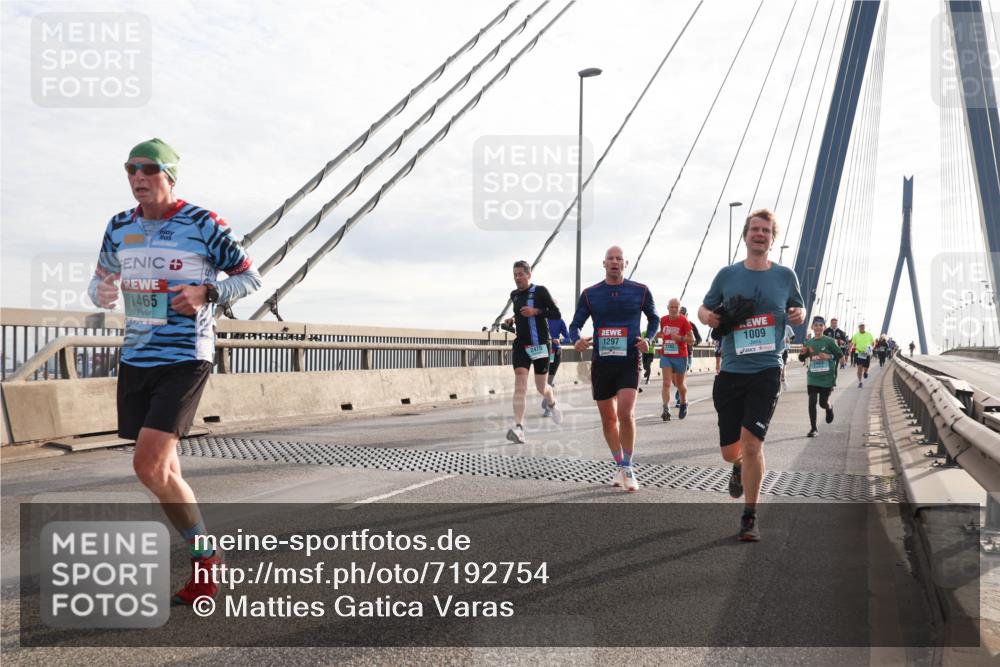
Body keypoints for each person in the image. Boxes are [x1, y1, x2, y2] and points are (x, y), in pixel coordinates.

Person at [88, 138, 262, 605]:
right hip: (137, 357)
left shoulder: (204, 223)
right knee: (165, 467)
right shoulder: (119, 226)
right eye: (130, 169)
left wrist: (208, 293)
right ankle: (203, 561)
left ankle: (207, 556)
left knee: (147, 465)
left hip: (186, 356)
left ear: (169, 176)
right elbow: (101, 277)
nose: (137, 178)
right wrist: (100, 291)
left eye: (148, 170)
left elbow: (250, 277)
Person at [698, 208, 805, 542]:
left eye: (766, 231)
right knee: (732, 451)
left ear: (773, 239)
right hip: (730, 370)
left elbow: (798, 309)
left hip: (766, 370)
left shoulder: (786, 276)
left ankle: (749, 516)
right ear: (745, 235)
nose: (760, 235)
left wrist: (799, 313)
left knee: (753, 444)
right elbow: (703, 308)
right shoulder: (727, 275)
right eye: (754, 229)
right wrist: (708, 318)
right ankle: (737, 466)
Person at [570, 246, 658, 493]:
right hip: (602, 363)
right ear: (604, 263)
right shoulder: (591, 294)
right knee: (608, 419)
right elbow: (575, 324)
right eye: (611, 258)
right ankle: (619, 464)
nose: (615, 262)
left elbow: (654, 318)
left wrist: (649, 339)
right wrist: (575, 339)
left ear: (625, 263)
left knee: (626, 414)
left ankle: (628, 467)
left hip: (629, 360)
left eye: (619, 259)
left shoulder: (640, 291)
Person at [502, 261, 562, 442]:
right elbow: (520, 313)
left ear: (529, 275)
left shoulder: (541, 291)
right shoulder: (514, 295)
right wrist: (512, 319)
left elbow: (556, 314)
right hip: (521, 344)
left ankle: (552, 402)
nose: (517, 278)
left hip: (541, 344)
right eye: (515, 275)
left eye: (520, 274)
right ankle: (519, 428)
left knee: (541, 387)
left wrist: (535, 311)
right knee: (520, 384)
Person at [798, 316, 843, 437]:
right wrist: (802, 353)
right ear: (812, 327)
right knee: (812, 401)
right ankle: (813, 429)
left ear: (824, 327)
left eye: (820, 325)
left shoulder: (829, 341)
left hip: (826, 377)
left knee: (823, 403)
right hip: (812, 376)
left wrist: (829, 357)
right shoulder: (809, 342)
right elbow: (802, 358)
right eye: (815, 325)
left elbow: (839, 355)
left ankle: (829, 407)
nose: (818, 327)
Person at [657, 298, 695, 420]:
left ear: (679, 309)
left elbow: (692, 340)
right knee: (666, 383)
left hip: (680, 356)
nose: (673, 309)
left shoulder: (684, 321)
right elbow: (663, 333)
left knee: (680, 384)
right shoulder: (663, 320)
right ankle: (665, 408)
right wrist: (657, 335)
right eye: (671, 307)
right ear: (667, 308)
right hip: (666, 355)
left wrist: (680, 338)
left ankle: (684, 402)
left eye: (676, 307)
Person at [543, 317, 571, 416]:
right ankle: (548, 398)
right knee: (543, 381)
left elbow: (568, 338)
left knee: (549, 380)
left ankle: (548, 407)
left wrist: (560, 341)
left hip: (555, 352)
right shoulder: (539, 319)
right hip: (542, 351)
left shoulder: (559, 320)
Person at [675, 306, 702, 406]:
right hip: (675, 355)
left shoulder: (691, 325)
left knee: (682, 376)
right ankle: (681, 397)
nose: (680, 315)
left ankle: (679, 399)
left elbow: (699, 339)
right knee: (677, 379)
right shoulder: (674, 325)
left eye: (682, 313)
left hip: (687, 355)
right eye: (679, 313)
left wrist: (692, 344)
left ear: (686, 315)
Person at [849, 322, 876, 388]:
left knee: (866, 367)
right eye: (861, 326)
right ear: (859, 327)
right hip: (859, 353)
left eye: (863, 326)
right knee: (859, 367)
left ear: (864, 327)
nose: (862, 327)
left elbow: (873, 343)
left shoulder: (869, 334)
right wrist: (850, 349)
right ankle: (860, 382)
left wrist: (872, 348)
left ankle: (865, 372)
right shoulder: (856, 335)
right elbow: (852, 343)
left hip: (867, 353)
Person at [780, 324, 795, 391]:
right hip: (776, 350)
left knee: (783, 365)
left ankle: (783, 379)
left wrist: (789, 340)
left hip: (785, 348)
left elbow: (792, 337)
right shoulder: (772, 326)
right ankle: (779, 380)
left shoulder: (787, 327)